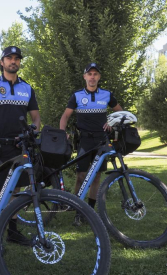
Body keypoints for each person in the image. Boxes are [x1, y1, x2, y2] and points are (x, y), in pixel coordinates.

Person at [0, 46, 41, 245]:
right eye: (9, 58)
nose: (13, 61)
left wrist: (33, 130)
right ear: (2, 62)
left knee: (16, 190)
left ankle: (12, 232)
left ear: (19, 63)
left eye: (17, 58)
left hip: (20, 145)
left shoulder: (27, 88)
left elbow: (36, 118)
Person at [59, 62, 122, 226]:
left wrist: (112, 122)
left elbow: (120, 112)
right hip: (85, 141)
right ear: (85, 77)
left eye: (95, 74)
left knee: (96, 178)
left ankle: (90, 211)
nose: (92, 77)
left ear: (99, 77)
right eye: (90, 74)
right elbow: (65, 116)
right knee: (81, 176)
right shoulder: (77, 95)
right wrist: (62, 132)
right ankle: (78, 211)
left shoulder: (107, 95)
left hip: (101, 141)